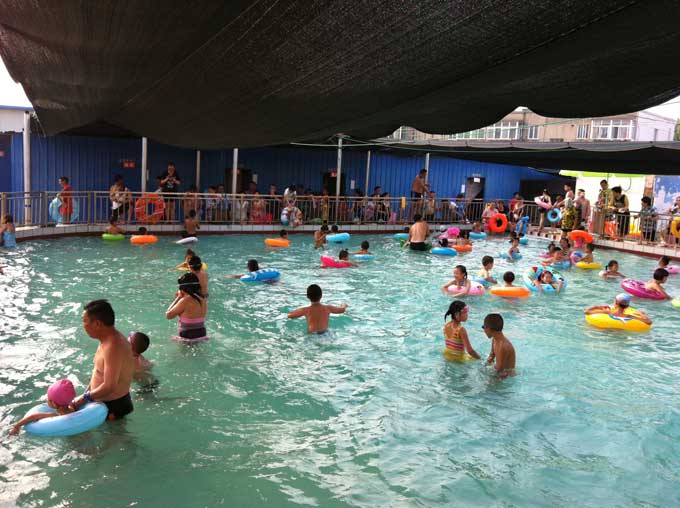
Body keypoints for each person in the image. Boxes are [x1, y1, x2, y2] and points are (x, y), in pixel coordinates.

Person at [69, 300, 135, 419]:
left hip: (112, 407)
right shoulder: (106, 339)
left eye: (84, 321)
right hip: (102, 402)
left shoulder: (113, 346)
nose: (83, 325)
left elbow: (109, 386)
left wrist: (84, 398)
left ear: (97, 324)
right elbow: (98, 373)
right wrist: (85, 396)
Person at [9, 379, 76, 435]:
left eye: (48, 398)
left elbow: (32, 417)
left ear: (54, 404)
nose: (47, 399)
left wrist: (16, 426)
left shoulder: (54, 415)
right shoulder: (72, 409)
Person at [166, 273, 208, 340]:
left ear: (182, 288)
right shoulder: (202, 299)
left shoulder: (185, 300)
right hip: (202, 333)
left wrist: (178, 297)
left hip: (188, 334)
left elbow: (168, 315)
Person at [585, 293, 652, 325]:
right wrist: (642, 314)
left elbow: (587, 312)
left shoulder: (608, 312)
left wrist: (596, 306)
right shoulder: (629, 316)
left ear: (616, 302)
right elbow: (649, 322)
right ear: (627, 306)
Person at [483, 314, 516, 378]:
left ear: (488, 328)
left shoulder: (503, 347)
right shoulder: (494, 340)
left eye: (483, 327)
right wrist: (483, 368)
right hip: (500, 373)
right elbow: (491, 357)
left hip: (507, 378)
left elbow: (500, 371)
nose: (484, 330)